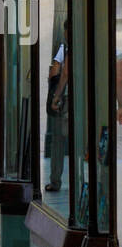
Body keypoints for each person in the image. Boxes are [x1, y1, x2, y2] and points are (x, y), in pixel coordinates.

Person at [45, 20, 68, 193]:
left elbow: (57, 70)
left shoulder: (65, 48)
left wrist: (56, 95)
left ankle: (55, 181)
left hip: (66, 100)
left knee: (58, 141)